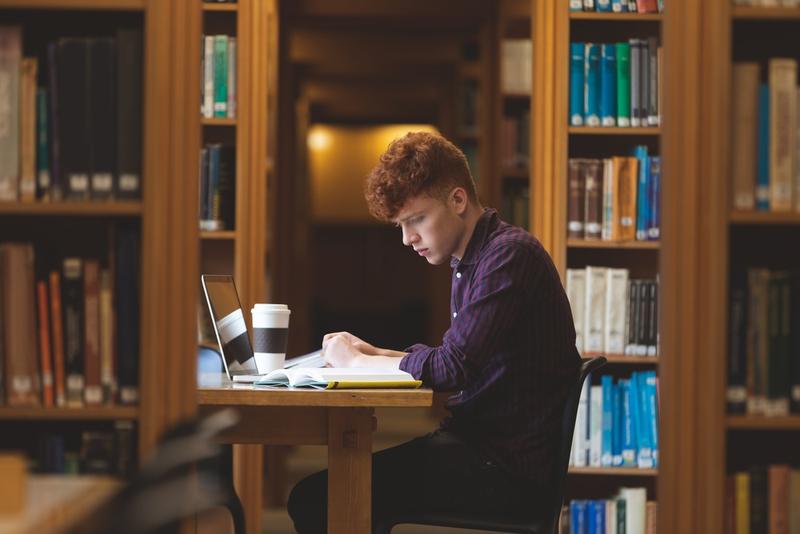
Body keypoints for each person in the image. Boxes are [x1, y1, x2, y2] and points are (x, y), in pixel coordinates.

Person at [287, 131, 581, 533]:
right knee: (335, 494)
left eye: (417, 220)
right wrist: (376, 355)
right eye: (401, 226)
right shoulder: (473, 259)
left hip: (502, 469)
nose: (408, 239)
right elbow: (455, 356)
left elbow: (453, 368)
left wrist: (357, 362)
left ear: (457, 200)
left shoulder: (508, 256)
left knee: (319, 498)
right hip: (481, 450)